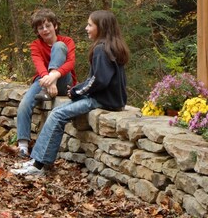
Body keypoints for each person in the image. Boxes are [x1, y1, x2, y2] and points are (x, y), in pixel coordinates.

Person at [12, 10, 130, 177]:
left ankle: (39, 166)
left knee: (57, 115)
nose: (86, 28)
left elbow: (100, 80)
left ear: (101, 27)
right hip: (109, 99)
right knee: (57, 113)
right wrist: (78, 90)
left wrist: (77, 91)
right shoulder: (111, 46)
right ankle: (36, 160)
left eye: (90, 25)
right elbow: (99, 79)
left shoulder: (101, 49)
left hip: (102, 100)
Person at [16, 9, 77, 158]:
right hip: (43, 81)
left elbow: (70, 63)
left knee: (59, 46)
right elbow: (39, 65)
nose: (45, 30)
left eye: (48, 25)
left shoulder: (67, 41)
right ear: (37, 31)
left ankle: (51, 81)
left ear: (55, 26)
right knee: (24, 104)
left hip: (64, 80)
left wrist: (54, 76)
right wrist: (49, 81)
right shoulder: (36, 45)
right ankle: (23, 146)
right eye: (40, 28)